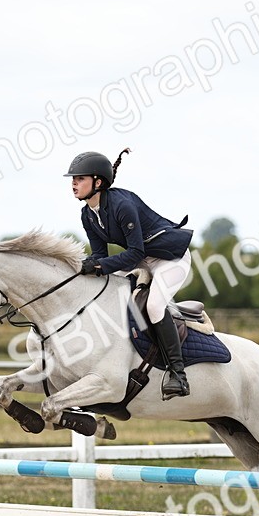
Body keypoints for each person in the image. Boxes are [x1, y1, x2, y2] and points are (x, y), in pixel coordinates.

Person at [65, 149, 193, 400]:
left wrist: (100, 266)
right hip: (143, 259)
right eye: (73, 179)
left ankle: (178, 374)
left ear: (97, 182)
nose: (73, 184)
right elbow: (99, 253)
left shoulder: (122, 205)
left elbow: (134, 253)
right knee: (103, 288)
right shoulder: (87, 214)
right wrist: (83, 267)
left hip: (171, 258)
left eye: (79, 179)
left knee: (155, 307)